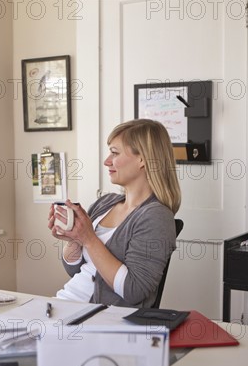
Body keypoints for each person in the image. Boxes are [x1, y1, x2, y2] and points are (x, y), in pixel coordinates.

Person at [48, 118, 181, 308]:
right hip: (64, 303)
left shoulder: (156, 217)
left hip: (93, 318)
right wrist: (73, 238)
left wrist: (88, 238)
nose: (106, 161)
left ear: (142, 159)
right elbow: (74, 269)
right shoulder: (105, 203)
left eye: (114, 153)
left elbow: (134, 290)